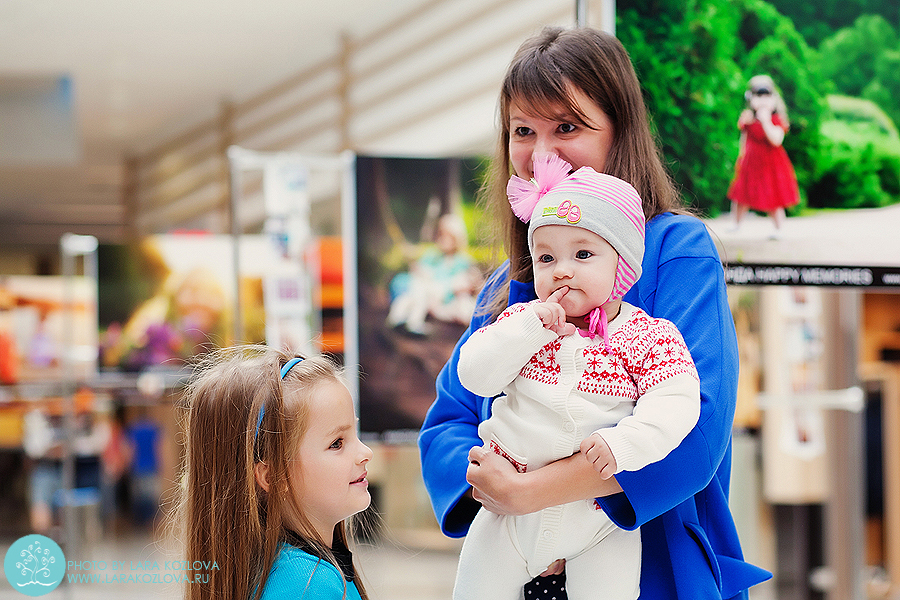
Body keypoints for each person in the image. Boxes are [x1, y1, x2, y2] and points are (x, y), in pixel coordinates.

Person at [418, 25, 772, 599]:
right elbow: (448, 422)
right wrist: (501, 492)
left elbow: (695, 429)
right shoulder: (509, 285)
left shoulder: (676, 249)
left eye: (567, 127)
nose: (541, 153)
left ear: (619, 133)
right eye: (522, 131)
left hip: (656, 569)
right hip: (523, 573)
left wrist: (533, 493)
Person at [453, 155, 701, 599]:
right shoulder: (520, 323)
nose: (562, 270)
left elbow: (677, 403)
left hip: (600, 521)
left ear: (620, 264)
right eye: (546, 257)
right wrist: (528, 328)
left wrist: (623, 444)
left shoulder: (648, 335)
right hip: (507, 520)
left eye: (583, 254)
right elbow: (474, 375)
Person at [180, 346, 373, 600]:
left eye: (354, 434)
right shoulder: (311, 587)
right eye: (337, 443)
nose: (365, 452)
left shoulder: (274, 571)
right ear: (272, 476)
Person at [727, 74, 800, 236]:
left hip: (771, 164)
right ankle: (736, 223)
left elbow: (776, 140)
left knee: (773, 196)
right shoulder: (748, 119)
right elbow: (743, 139)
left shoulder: (776, 119)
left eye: (766, 96)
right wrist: (741, 157)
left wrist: (765, 121)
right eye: (758, 96)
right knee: (741, 195)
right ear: (750, 99)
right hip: (751, 163)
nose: (762, 101)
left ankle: (779, 228)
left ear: (774, 99)